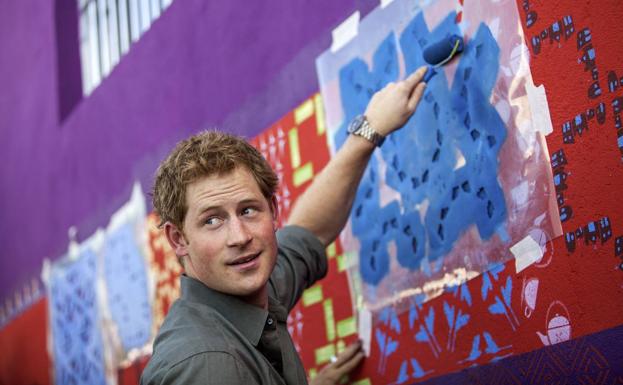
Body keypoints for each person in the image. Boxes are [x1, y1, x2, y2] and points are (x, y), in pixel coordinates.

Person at [140, 66, 428, 385]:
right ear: (178, 239)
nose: (240, 237)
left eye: (249, 211)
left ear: (273, 210)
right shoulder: (209, 369)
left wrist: (371, 129)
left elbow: (311, 231)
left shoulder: (251, 286)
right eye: (212, 220)